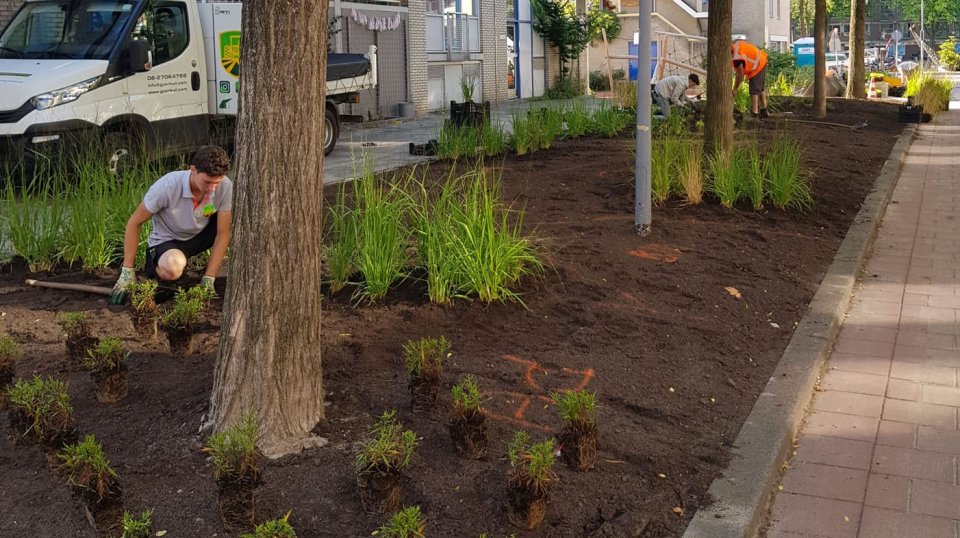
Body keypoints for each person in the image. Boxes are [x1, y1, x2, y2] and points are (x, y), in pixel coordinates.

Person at [110, 146, 233, 304]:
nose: (212, 189)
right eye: (207, 182)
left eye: (216, 183)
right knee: (172, 268)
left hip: (200, 236)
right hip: (169, 240)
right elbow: (134, 222)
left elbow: (223, 232)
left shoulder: (225, 186)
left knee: (229, 219)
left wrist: (209, 278)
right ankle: (163, 273)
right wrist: (127, 271)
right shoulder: (167, 186)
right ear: (193, 170)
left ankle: (201, 273)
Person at [731, 39, 769, 119]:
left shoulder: (737, 56)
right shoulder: (736, 47)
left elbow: (740, 74)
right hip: (761, 60)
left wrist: (735, 88)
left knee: (754, 88)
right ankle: (764, 110)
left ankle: (754, 113)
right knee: (760, 87)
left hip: (758, 64)